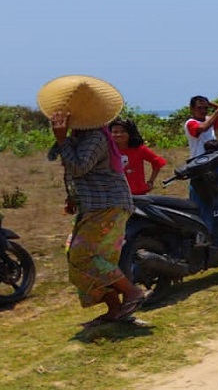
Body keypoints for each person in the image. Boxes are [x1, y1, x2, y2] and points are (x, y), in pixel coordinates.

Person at [38, 75, 147, 325]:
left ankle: (131, 292)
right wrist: (73, 197)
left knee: (82, 255)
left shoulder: (96, 137)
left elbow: (78, 167)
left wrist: (62, 138)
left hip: (108, 205)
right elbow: (62, 162)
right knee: (83, 256)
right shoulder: (81, 135)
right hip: (96, 206)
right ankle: (114, 308)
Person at [109, 118, 167, 195]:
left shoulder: (139, 149)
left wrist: (151, 181)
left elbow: (157, 162)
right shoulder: (108, 150)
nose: (119, 134)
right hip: (115, 193)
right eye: (115, 132)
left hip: (138, 193)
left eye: (123, 131)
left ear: (130, 132)